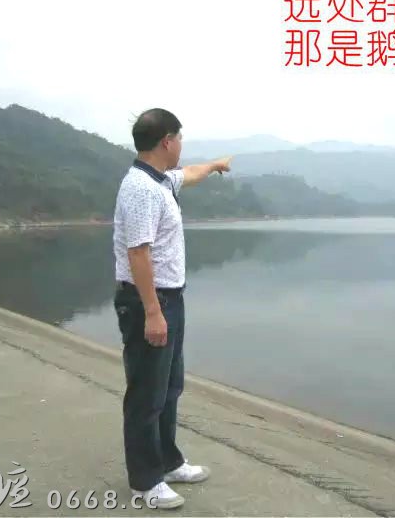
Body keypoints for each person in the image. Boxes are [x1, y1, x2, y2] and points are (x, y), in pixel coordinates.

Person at [112, 108, 231, 509]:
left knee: (169, 387)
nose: (182, 145)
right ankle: (145, 482)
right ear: (167, 141)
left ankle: (167, 461)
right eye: (179, 138)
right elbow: (138, 253)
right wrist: (152, 312)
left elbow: (190, 173)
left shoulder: (160, 179)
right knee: (147, 393)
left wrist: (214, 166)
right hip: (150, 301)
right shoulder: (141, 189)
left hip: (169, 299)